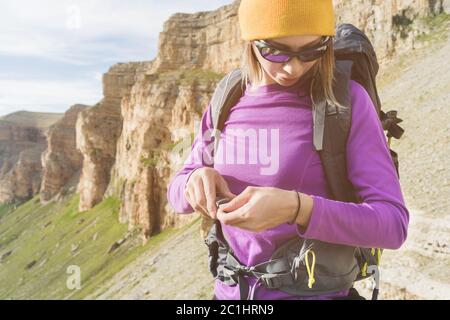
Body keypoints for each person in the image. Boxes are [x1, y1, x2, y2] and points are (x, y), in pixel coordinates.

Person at [167, 0, 409, 300]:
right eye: (276, 50)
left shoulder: (346, 102)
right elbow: (178, 190)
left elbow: (393, 224)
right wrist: (195, 181)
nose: (293, 67)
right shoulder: (227, 97)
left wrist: (298, 208)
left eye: (312, 50)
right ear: (250, 42)